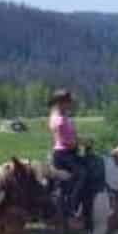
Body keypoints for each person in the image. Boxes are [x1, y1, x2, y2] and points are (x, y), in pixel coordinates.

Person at [48, 89, 87, 217]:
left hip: (66, 153)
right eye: (68, 102)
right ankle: (71, 204)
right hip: (64, 155)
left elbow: (73, 137)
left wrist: (81, 141)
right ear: (61, 103)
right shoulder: (60, 120)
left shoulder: (61, 117)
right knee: (82, 173)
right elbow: (68, 142)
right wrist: (84, 143)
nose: (70, 104)